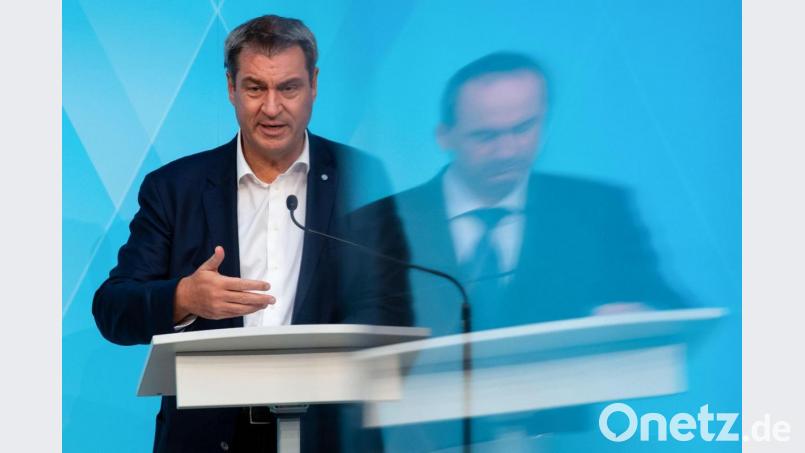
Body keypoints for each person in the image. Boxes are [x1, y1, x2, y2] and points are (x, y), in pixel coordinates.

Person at [92, 15, 410, 453]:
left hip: (329, 434)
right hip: (209, 438)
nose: (272, 108)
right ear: (231, 88)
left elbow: (392, 307)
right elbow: (112, 310)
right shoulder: (175, 188)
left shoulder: (361, 177)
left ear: (314, 85)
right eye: (256, 88)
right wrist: (184, 298)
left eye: (289, 88)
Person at [374, 52, 687, 451]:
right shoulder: (378, 224)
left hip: (563, 441)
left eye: (524, 128)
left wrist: (638, 318)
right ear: (444, 136)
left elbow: (667, 307)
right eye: (485, 136)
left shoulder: (597, 211)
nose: (508, 150)